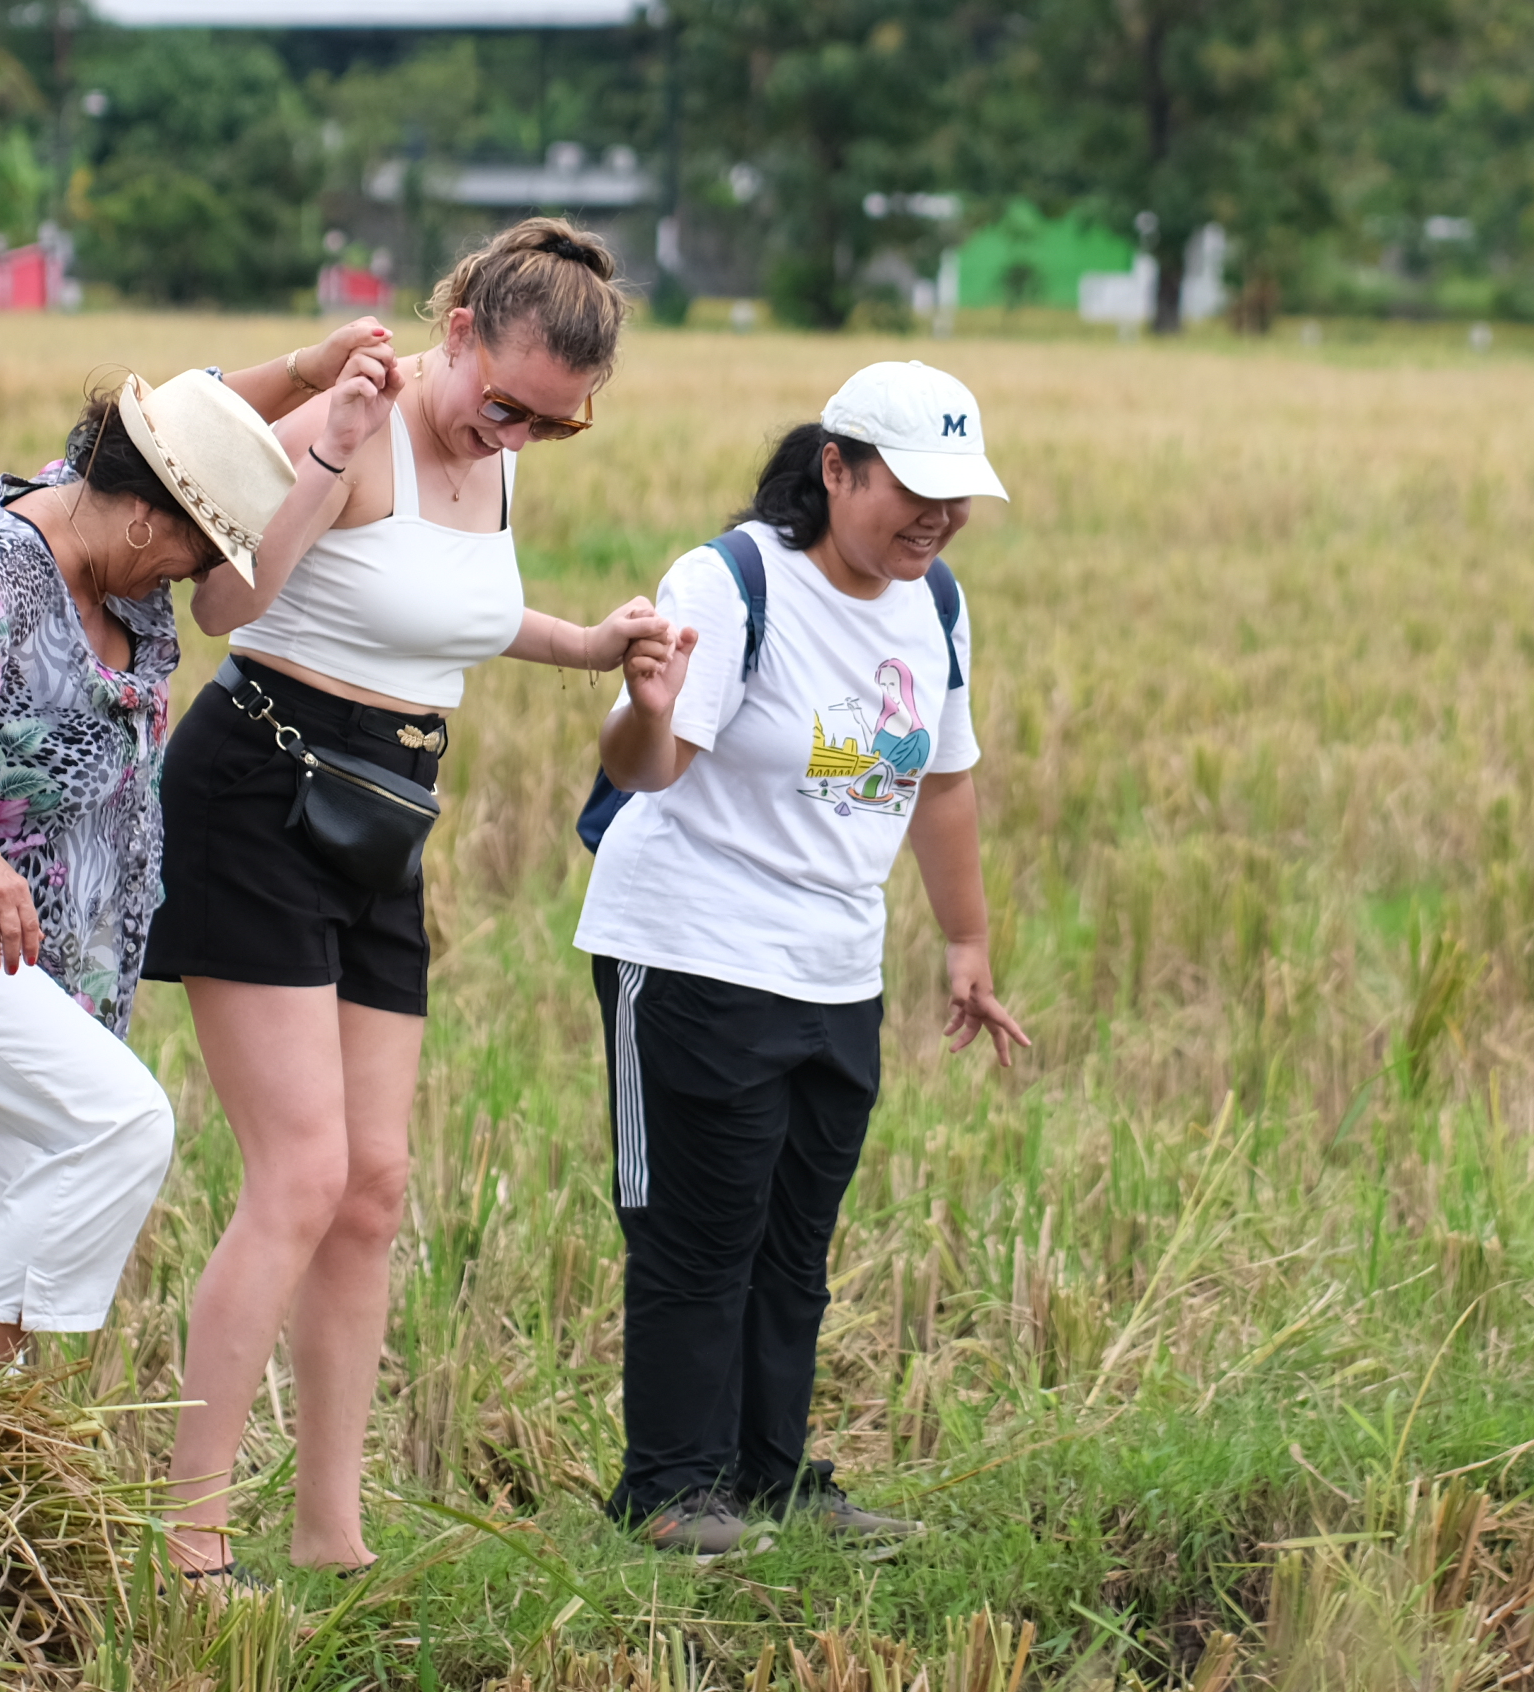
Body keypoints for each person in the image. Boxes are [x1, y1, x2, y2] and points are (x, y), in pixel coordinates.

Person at [149, 216, 668, 1581]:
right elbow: (223, 603)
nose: (521, 437)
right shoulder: (356, 418)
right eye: (507, 404)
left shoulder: (498, 458)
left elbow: (455, 613)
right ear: (458, 336)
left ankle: (332, 1536)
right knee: (302, 1176)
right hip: (260, 790)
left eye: (560, 428)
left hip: (383, 817)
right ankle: (192, 1542)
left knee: (374, 1188)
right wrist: (323, 453)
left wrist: (589, 645)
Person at [0, 338, 396, 1367]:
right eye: (197, 549)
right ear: (148, 516)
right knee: (121, 1123)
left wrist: (315, 369)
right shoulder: (0, 571)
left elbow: (186, 425)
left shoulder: (110, 527)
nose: (194, 577)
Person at [575, 359, 1033, 1557]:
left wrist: (967, 941)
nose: (934, 520)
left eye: (955, 497)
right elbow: (646, 766)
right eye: (909, 490)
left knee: (792, 1243)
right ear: (836, 468)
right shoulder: (731, 582)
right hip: (690, 949)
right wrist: (641, 702)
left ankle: (772, 1479)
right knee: (695, 1229)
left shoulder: (936, 606)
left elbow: (940, 777)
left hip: (837, 969)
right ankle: (671, 1489)